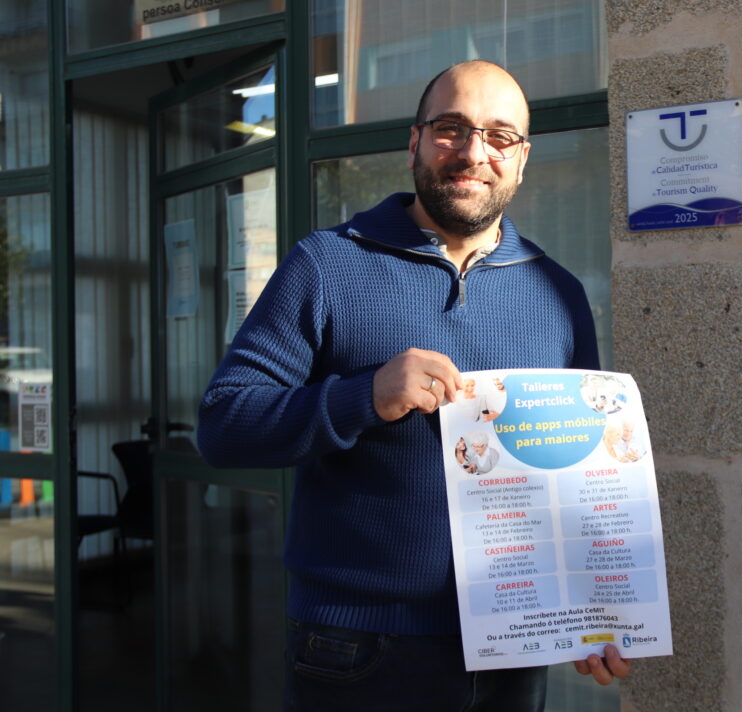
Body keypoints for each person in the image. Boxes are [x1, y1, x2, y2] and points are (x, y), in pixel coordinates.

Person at [197, 60, 629, 712]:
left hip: (515, 642)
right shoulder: (326, 265)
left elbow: (578, 473)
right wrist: (364, 397)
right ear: (415, 142)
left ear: (521, 159)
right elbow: (223, 426)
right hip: (359, 646)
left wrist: (592, 608)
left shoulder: (559, 294)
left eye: (499, 136)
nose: (473, 152)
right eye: (451, 128)